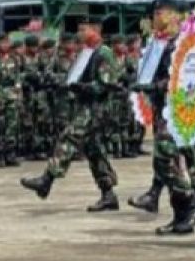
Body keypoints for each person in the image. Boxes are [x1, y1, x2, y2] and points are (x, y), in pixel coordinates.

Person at [21, 18, 122, 211]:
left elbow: (106, 84)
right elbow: (72, 76)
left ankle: (47, 179)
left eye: (84, 29)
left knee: (69, 137)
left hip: (97, 108)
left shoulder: (103, 53)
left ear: (97, 29)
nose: (80, 34)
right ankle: (108, 193)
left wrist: (83, 87)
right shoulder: (86, 53)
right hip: (84, 105)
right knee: (94, 151)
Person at [129, 0, 195, 234]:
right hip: (161, 107)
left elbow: (186, 77)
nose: (154, 20)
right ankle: (180, 216)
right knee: (168, 158)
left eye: (157, 14)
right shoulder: (159, 43)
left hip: (181, 108)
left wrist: (155, 86)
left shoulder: (184, 43)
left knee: (169, 155)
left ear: (172, 15)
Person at [0, 33, 23, 167]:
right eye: (2, 42)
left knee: (12, 125)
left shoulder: (14, 58)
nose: (5, 45)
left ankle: (10, 154)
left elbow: (18, 76)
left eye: (7, 42)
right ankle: (0, 154)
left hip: (11, 94)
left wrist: (18, 91)